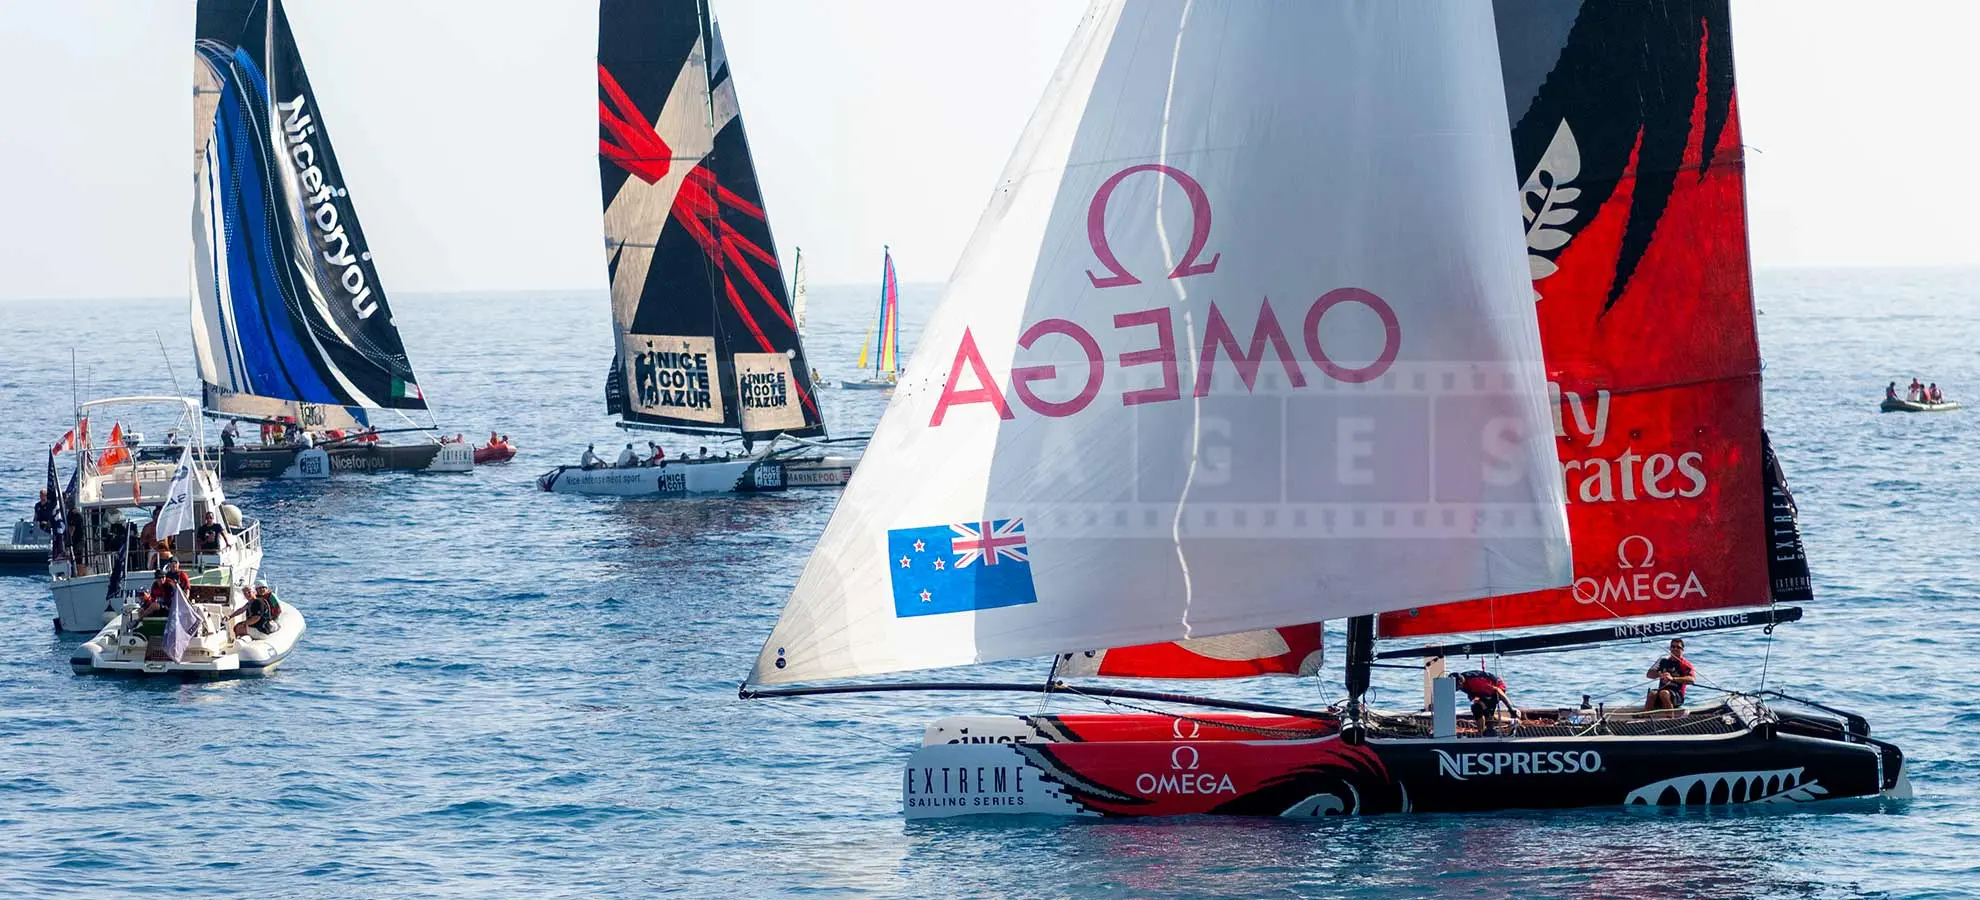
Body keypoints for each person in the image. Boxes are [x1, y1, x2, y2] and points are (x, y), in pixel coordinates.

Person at [1453, 669, 1517, 736]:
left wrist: (1510, 708)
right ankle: (1481, 732)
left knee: (1483, 711)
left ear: (1461, 682)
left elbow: (1498, 691)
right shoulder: (1461, 682)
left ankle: (1510, 721)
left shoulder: (1476, 682)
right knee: (1478, 709)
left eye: (1457, 687)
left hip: (1497, 687)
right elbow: (1472, 693)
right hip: (1479, 692)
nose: (1457, 689)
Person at [1645, 638, 1696, 710]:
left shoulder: (1685, 664)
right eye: (1673, 647)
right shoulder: (1663, 661)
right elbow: (1649, 674)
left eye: (1678, 647)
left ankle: (1670, 715)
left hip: (1677, 695)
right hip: (1662, 690)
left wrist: (1673, 678)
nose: (1675, 649)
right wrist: (1660, 675)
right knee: (1652, 693)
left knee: (1664, 693)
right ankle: (1646, 715)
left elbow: (1692, 680)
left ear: (1682, 650)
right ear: (1670, 648)